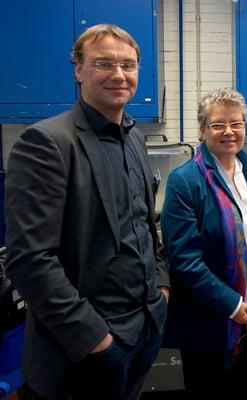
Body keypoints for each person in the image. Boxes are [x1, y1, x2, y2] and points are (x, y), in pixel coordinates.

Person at [4, 24, 169, 400]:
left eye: (128, 65)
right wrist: (96, 340)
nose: (118, 74)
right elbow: (29, 260)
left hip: (144, 328)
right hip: (85, 349)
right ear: (78, 69)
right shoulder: (47, 143)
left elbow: (145, 225)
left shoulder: (134, 138)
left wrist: (162, 290)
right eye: (104, 63)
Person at [159, 88, 247, 400]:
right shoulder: (185, 181)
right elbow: (184, 260)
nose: (229, 131)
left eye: (236, 123)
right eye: (218, 125)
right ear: (202, 130)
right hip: (206, 321)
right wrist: (232, 305)